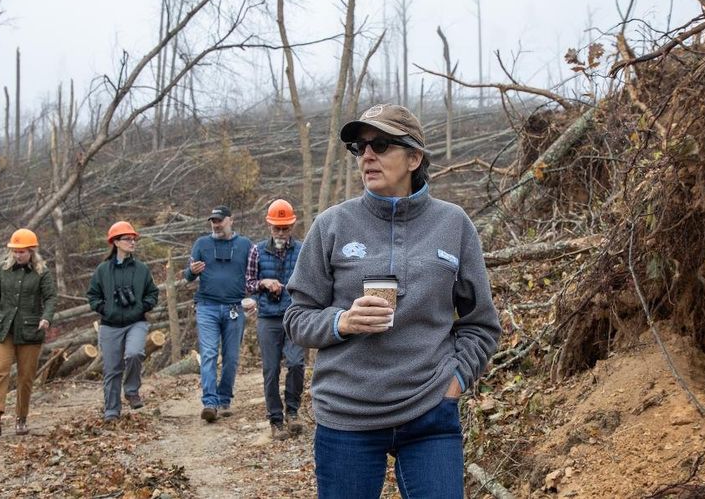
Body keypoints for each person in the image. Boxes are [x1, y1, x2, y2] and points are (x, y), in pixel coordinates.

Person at [284, 104, 502, 498]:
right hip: (347, 416)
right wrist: (342, 322)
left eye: (381, 145)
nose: (367, 156)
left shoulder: (454, 225)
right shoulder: (331, 225)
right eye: (359, 147)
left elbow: (481, 323)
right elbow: (297, 318)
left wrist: (453, 383)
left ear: (414, 157)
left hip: (429, 414)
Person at [0, 228, 57, 436]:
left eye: (22, 251)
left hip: (31, 330)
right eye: (15, 251)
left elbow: (50, 298)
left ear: (31, 251)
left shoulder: (42, 272)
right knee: (0, 369)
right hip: (4, 329)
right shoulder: (2, 271)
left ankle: (21, 418)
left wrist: (46, 317)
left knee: (25, 376)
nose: (18, 255)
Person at [184, 206, 257, 423]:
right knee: (208, 354)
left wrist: (255, 299)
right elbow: (188, 276)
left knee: (231, 357)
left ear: (230, 220)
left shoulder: (245, 245)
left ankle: (224, 398)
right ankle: (210, 402)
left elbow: (255, 275)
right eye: (212, 221)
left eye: (219, 220)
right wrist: (192, 271)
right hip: (207, 306)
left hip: (235, 307)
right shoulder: (201, 244)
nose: (215, 224)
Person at [86, 221, 159, 422]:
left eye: (133, 238)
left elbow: (153, 293)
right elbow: (92, 296)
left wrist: (142, 307)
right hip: (109, 325)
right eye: (127, 239)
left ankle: (132, 391)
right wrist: (105, 309)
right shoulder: (102, 270)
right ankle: (111, 410)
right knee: (111, 368)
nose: (132, 242)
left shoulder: (142, 269)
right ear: (116, 242)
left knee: (135, 353)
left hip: (136, 321)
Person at [246, 199, 305, 441]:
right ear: (270, 227)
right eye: (277, 228)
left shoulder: (302, 250)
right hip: (268, 318)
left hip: (295, 315)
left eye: (285, 228)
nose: (281, 233)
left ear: (292, 226)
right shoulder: (256, 251)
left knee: (296, 363)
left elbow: (311, 280)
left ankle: (293, 411)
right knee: (271, 370)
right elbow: (248, 284)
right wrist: (263, 283)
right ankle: (276, 419)